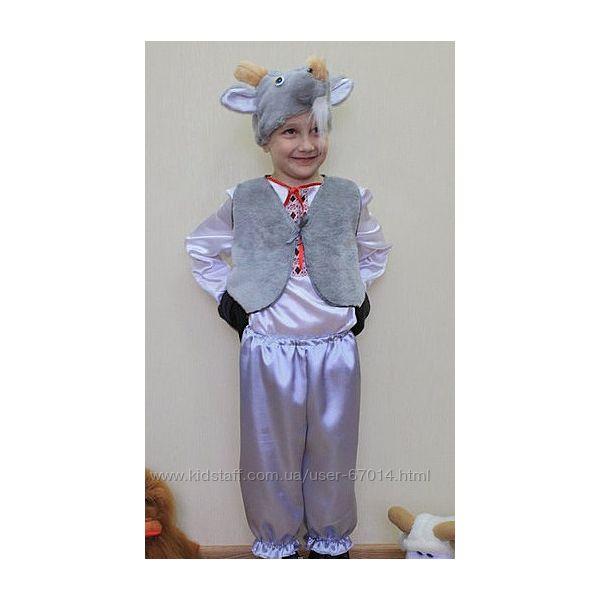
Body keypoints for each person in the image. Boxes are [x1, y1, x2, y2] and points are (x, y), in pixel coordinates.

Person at [185, 57, 391, 559]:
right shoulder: (244, 198)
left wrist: (356, 294)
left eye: (316, 130)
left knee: (333, 449)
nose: (306, 144)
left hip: (334, 347)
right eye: (289, 132)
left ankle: (329, 541)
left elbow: (375, 251)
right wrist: (230, 301)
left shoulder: (349, 197)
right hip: (269, 346)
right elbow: (200, 248)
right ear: (265, 138)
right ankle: (275, 542)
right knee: (269, 450)